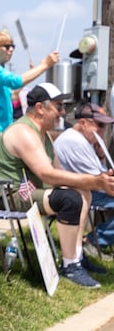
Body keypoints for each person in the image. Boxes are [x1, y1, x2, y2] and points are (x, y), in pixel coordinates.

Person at [0, 83, 114, 288]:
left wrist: (95, 182)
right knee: (69, 199)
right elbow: (47, 174)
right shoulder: (24, 132)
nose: (63, 113)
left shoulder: (43, 133)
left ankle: (77, 257)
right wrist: (96, 180)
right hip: (6, 194)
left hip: (26, 190)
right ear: (40, 108)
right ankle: (70, 266)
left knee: (83, 193)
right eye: (58, 106)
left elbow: (59, 173)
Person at [0, 30, 59, 153]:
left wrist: (35, 70)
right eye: (7, 46)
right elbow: (16, 81)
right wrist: (44, 65)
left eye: (12, 46)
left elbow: (14, 92)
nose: (11, 49)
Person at [54, 102, 114, 264]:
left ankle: (95, 239)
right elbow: (102, 180)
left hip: (87, 190)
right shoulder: (74, 141)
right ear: (83, 123)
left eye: (105, 126)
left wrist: (100, 154)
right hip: (77, 192)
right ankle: (93, 241)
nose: (103, 130)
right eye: (100, 125)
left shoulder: (83, 141)